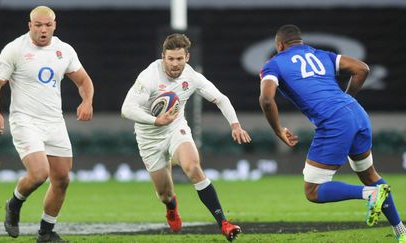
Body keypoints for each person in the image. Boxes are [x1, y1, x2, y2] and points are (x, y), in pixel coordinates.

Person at [259, 24, 406, 242]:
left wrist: (279, 130)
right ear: (300, 41)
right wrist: (347, 98)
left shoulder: (273, 64)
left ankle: (370, 195)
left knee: (313, 190)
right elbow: (362, 69)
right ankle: (401, 231)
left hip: (334, 122)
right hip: (357, 114)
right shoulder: (322, 55)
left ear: (280, 45)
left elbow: (266, 98)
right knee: (369, 175)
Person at [121, 33, 251, 241]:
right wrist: (156, 121)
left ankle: (224, 223)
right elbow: (127, 109)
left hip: (175, 129)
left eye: (179, 59)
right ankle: (172, 207)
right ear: (163, 56)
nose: (175, 64)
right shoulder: (149, 77)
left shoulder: (192, 77)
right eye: (171, 58)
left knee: (192, 167)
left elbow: (221, 99)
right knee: (165, 194)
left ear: (187, 57)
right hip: (149, 138)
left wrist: (235, 125)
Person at [0, 6, 94, 243]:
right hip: (25, 120)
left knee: (62, 179)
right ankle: (14, 203)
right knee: (39, 173)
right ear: (29, 25)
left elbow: (83, 80)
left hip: (54, 121)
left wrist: (87, 100)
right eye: (38, 25)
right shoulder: (15, 49)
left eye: (48, 25)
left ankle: (45, 232)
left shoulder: (64, 50)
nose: (43, 30)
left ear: (55, 25)